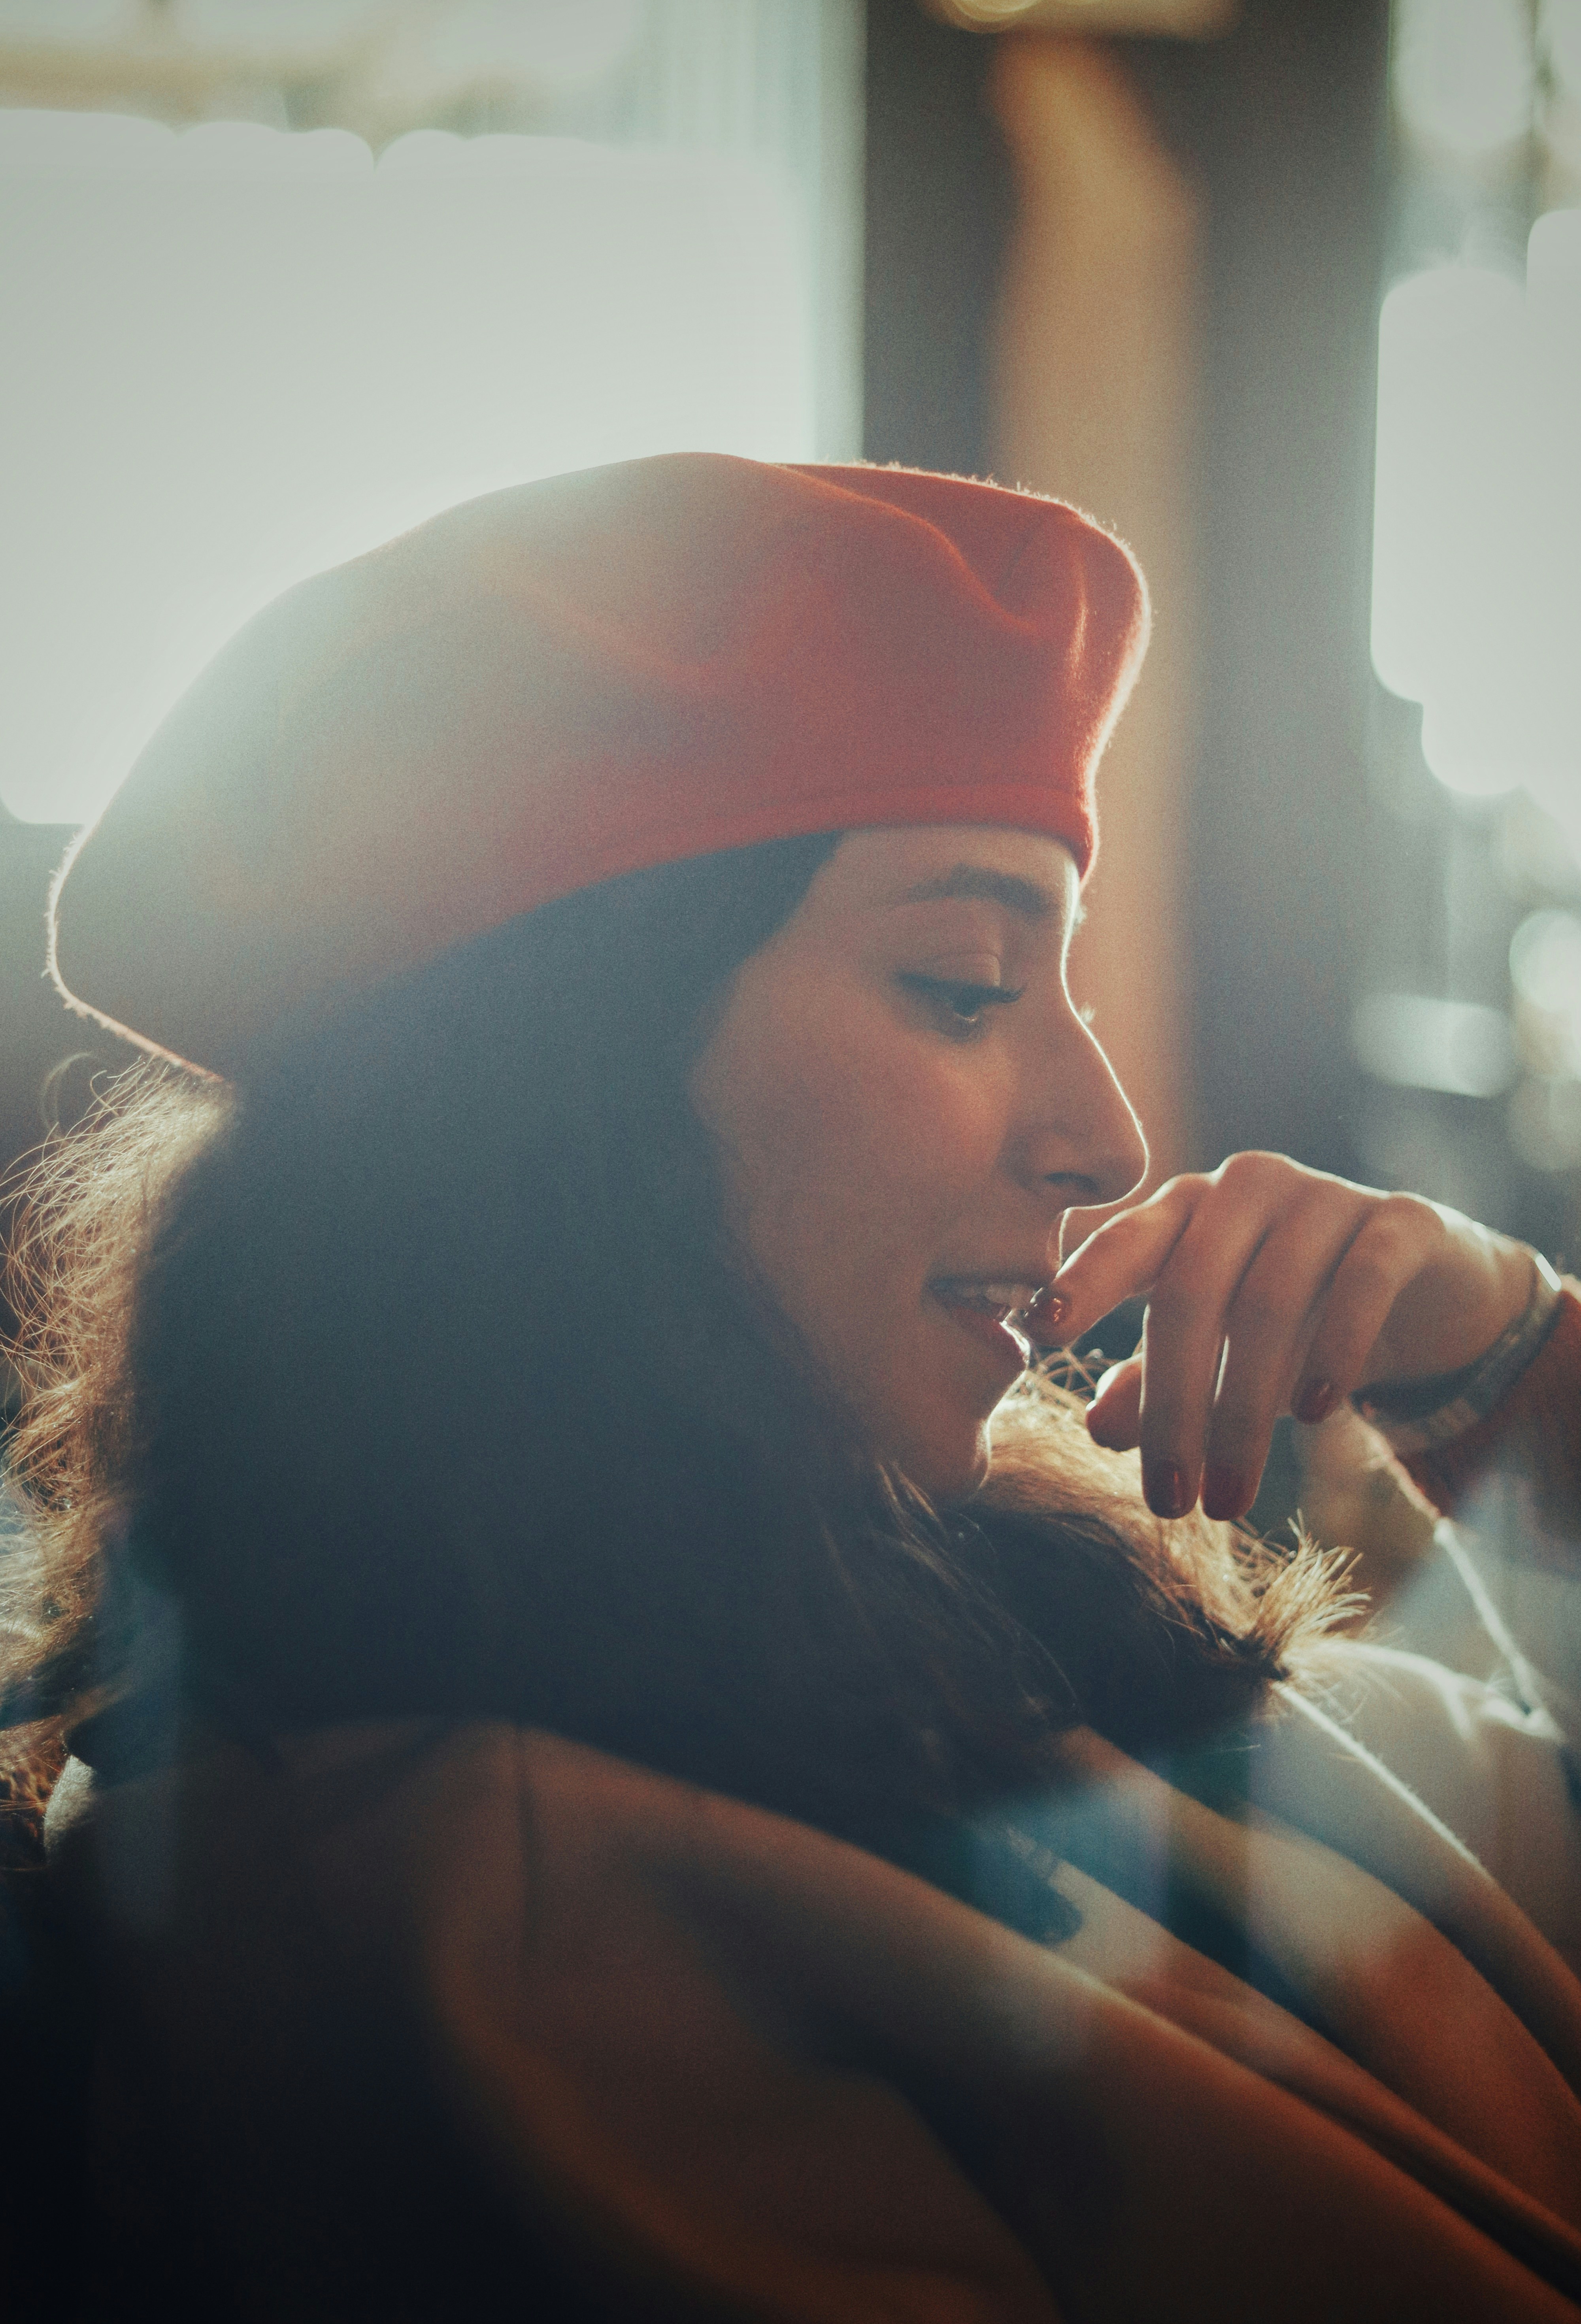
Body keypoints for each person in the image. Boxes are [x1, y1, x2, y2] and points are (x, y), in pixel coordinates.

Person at [2, 453, 1580, 2320]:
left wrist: (1507, 1351)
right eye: (964, 982)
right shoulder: (474, 1922)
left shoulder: (981, 1587)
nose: (1111, 1133)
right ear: (546, 1106)